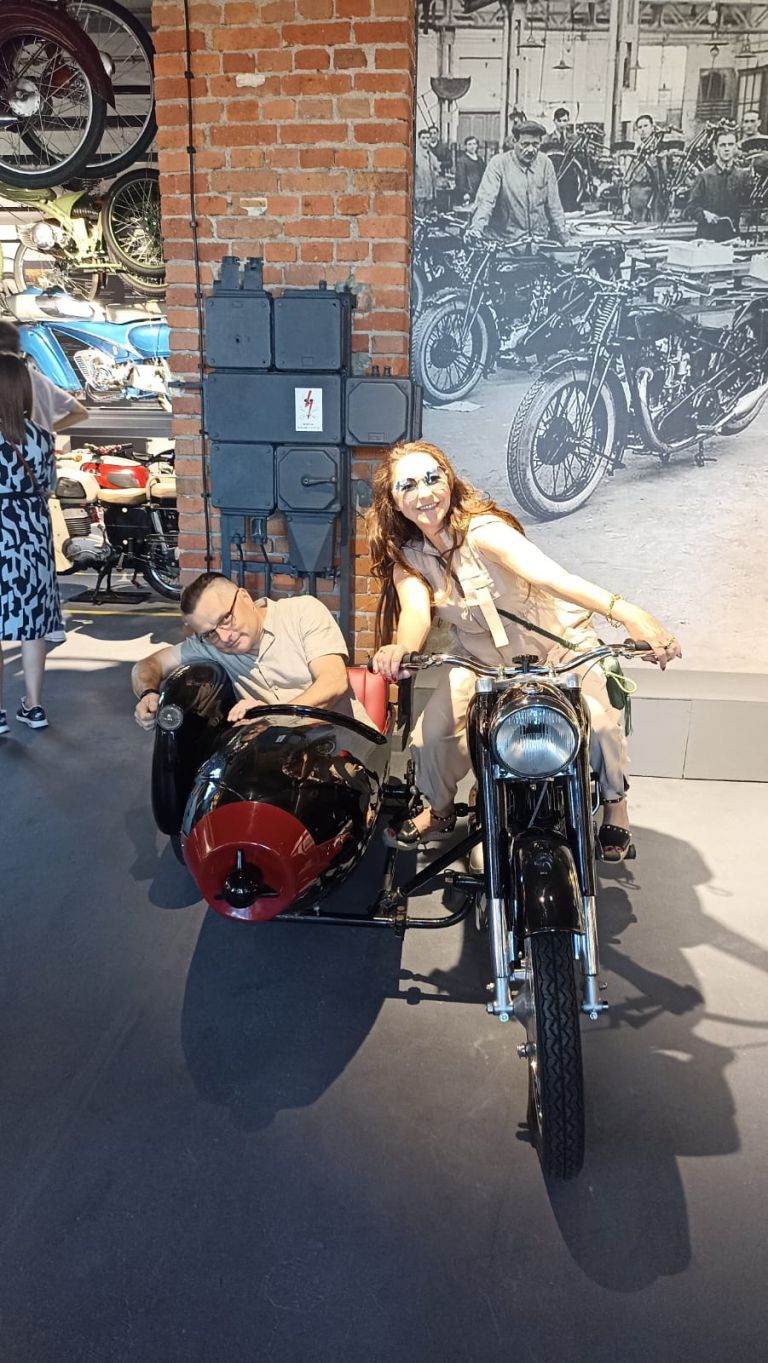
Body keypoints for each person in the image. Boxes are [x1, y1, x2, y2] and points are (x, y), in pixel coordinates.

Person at [368, 442, 681, 863]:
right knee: (430, 735)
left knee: (600, 722)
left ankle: (614, 803)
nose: (424, 493)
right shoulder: (407, 559)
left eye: (432, 478)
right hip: (481, 664)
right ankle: (440, 811)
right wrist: (401, 649)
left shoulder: (485, 531)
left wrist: (628, 613)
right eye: (407, 485)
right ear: (393, 501)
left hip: (556, 651)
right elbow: (415, 613)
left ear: (449, 481)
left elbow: (552, 577)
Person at [132, 572, 375, 731]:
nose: (224, 637)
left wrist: (271, 717)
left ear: (245, 598)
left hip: (349, 744)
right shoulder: (209, 645)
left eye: (226, 618)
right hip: (285, 758)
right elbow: (148, 665)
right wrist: (148, 694)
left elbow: (333, 682)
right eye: (211, 633)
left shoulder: (302, 612)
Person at [0, 353, 63, 735]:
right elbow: (49, 486)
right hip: (32, 534)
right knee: (32, 625)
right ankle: (34, 706)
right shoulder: (42, 437)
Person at [470, 120, 568, 245]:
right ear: (514, 141)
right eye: (525, 144)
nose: (531, 150)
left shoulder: (545, 164)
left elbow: (554, 206)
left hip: (537, 243)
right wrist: (476, 229)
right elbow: (486, 201)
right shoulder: (499, 164)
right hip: (506, 243)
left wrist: (565, 238)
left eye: (535, 144)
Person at [0, 319, 88, 436]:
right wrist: (44, 430)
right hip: (38, 445)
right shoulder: (39, 379)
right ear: (18, 346)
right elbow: (81, 413)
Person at [686, 127, 754, 238]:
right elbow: (691, 208)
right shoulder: (704, 176)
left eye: (730, 144)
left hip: (733, 236)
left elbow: (749, 205)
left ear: (735, 147)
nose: (727, 149)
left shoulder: (742, 176)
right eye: (722, 145)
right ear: (715, 148)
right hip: (708, 236)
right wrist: (705, 214)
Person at [625, 114, 665, 223]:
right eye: (640, 127)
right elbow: (629, 175)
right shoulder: (637, 149)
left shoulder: (660, 146)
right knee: (637, 223)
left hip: (656, 192)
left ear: (652, 127)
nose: (643, 130)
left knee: (656, 223)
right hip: (639, 191)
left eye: (646, 126)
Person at [542, 107, 580, 211]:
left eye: (565, 121)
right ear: (554, 121)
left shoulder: (574, 140)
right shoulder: (547, 140)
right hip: (553, 179)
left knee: (569, 207)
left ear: (568, 121)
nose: (562, 124)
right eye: (559, 121)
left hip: (569, 180)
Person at [414, 127, 441, 218]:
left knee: (428, 218)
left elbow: (437, 167)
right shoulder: (415, 154)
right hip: (419, 192)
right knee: (419, 218)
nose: (426, 140)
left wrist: (436, 173)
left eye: (427, 138)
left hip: (430, 192)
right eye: (423, 138)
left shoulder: (430, 154)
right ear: (419, 139)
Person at [454, 135, 486, 205]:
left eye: (474, 144)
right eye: (469, 144)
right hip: (468, 194)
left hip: (479, 192)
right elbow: (460, 179)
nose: (472, 146)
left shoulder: (480, 160)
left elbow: (484, 176)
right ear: (465, 146)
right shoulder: (462, 160)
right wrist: (465, 193)